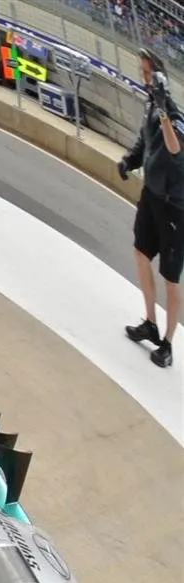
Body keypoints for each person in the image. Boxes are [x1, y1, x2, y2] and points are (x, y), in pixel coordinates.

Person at [120, 47, 183, 368]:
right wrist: (130, 160)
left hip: (176, 207)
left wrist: (164, 112)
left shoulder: (173, 111)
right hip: (152, 196)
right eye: (141, 72)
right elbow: (145, 141)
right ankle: (150, 321)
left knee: (171, 278)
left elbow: (175, 148)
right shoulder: (150, 106)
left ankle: (169, 344)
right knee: (140, 253)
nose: (142, 78)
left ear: (159, 78)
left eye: (147, 74)